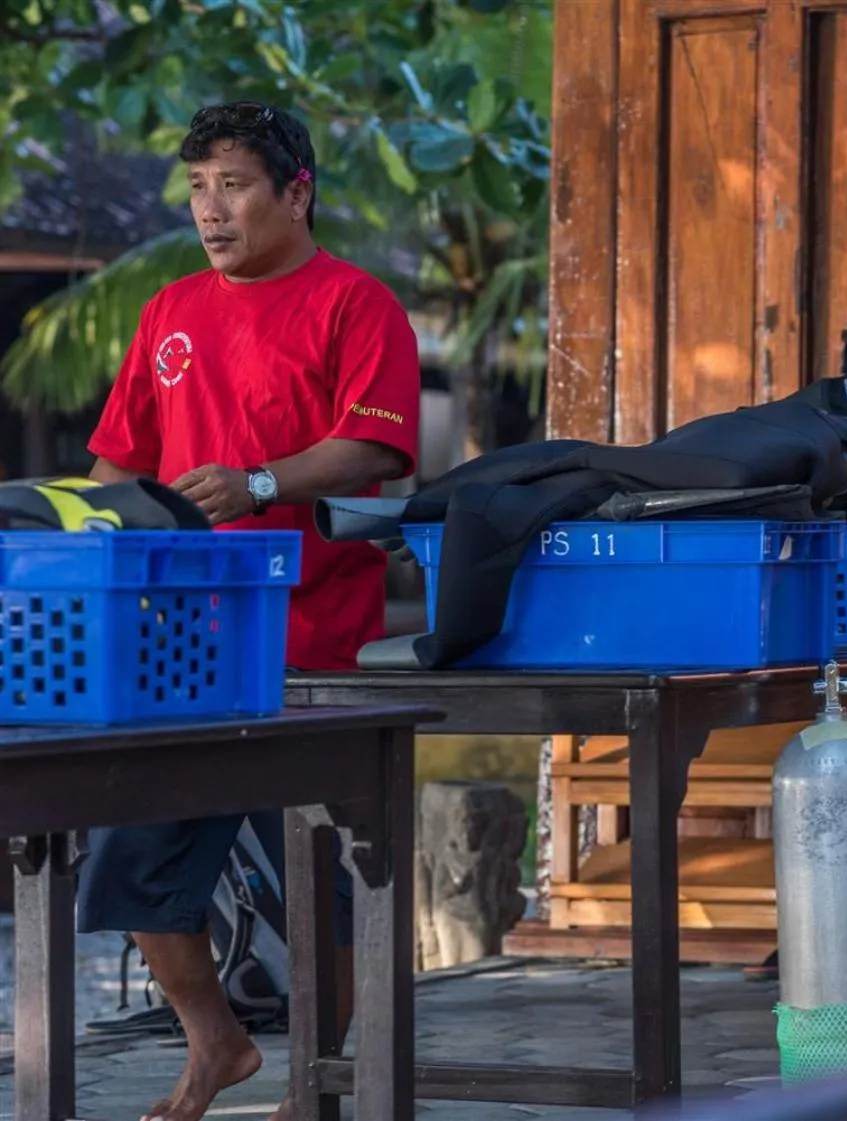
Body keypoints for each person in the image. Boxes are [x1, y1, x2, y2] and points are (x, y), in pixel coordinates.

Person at [77, 101, 421, 1121]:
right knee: (131, 857)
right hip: (176, 644)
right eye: (197, 189)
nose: (211, 210)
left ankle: (317, 1079)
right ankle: (215, 1043)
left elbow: (376, 451)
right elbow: (117, 465)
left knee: (323, 880)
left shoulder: (357, 304)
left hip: (314, 639)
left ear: (296, 191)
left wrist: (264, 483)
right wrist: (75, 535)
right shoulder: (169, 311)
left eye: (232, 184)